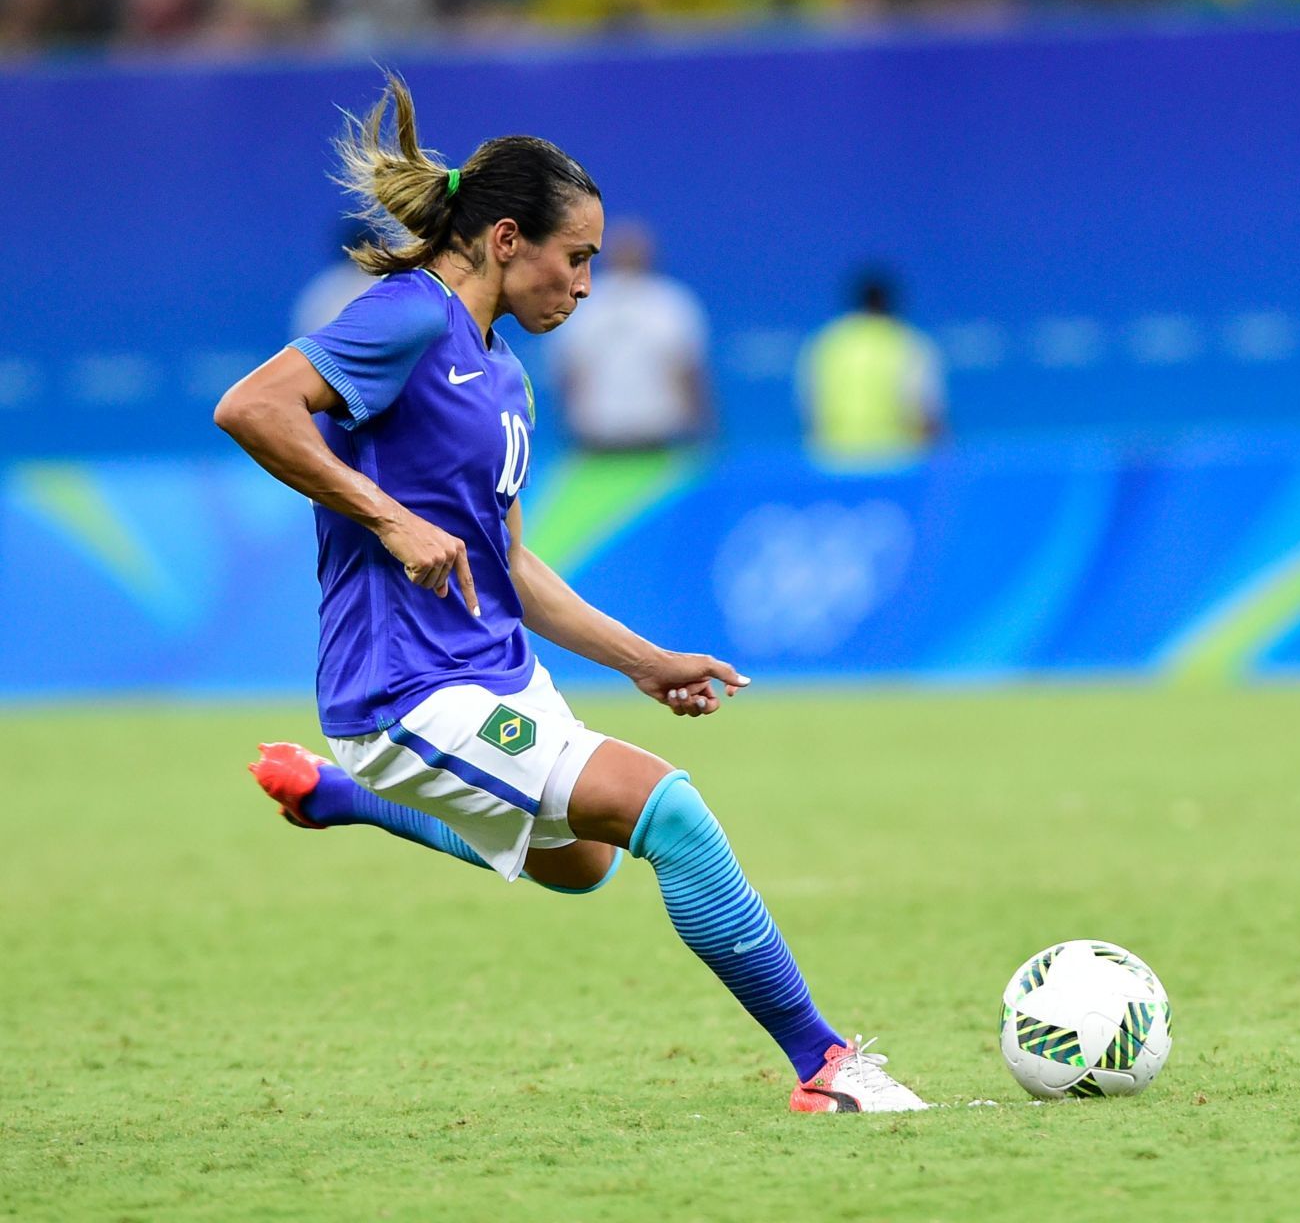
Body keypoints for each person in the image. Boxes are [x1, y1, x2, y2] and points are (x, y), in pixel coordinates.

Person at [213, 74, 926, 1114]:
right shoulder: (409, 315)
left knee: (583, 862)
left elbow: (512, 564)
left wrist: (644, 660)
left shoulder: (504, 375)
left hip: (486, 668)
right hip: (403, 687)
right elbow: (253, 406)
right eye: (576, 257)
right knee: (671, 815)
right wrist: (389, 516)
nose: (586, 285)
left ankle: (340, 794)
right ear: (506, 239)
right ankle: (825, 1062)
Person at [548, 219, 711, 452]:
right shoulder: (670, 302)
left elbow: (688, 373)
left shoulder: (671, 303)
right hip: (597, 439)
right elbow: (571, 374)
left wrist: (700, 432)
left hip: (655, 437)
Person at [796, 268, 945, 461]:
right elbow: (927, 410)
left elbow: (809, 409)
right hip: (897, 461)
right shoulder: (907, 341)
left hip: (833, 462)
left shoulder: (827, 342)